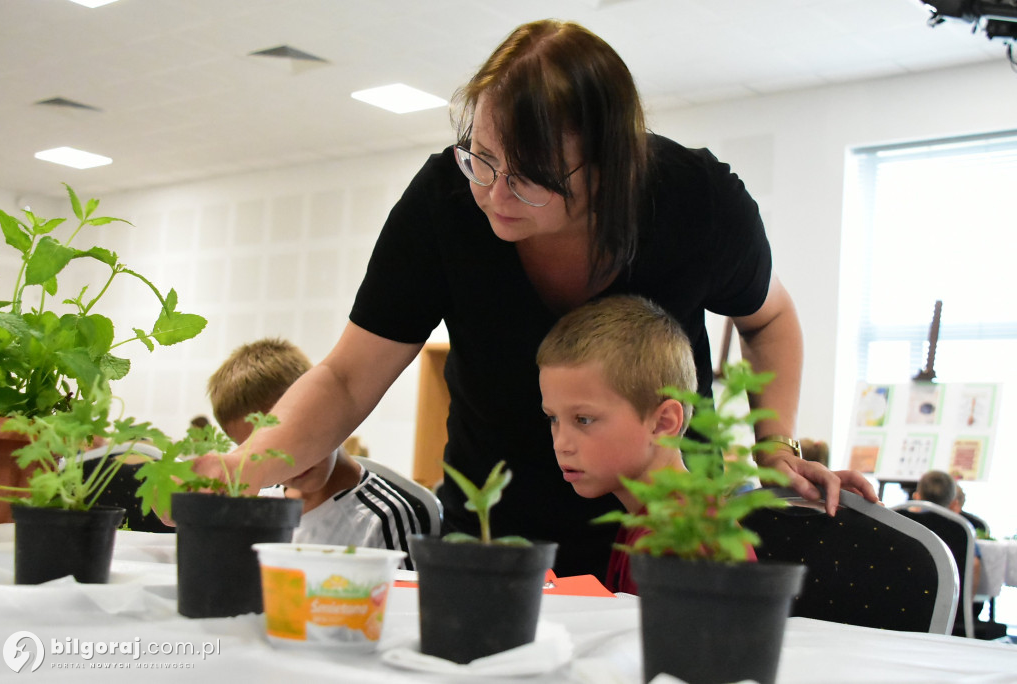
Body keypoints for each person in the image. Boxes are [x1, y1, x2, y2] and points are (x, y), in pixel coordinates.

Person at [192, 19, 877, 580]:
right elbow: (345, 377)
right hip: (495, 535)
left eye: (527, 179)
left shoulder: (693, 201)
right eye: (481, 158)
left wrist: (773, 444)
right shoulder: (445, 205)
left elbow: (771, 319)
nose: (492, 192)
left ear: (608, 166)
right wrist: (239, 470)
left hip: (665, 535)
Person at [536, 295, 756, 593]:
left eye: (583, 420)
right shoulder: (656, 515)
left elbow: (659, 637)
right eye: (552, 419)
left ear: (664, 423)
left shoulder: (676, 535)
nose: (561, 444)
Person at [207, 338, 419, 566]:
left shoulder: (385, 515)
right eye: (261, 453)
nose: (287, 462)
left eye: (288, 440)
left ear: (324, 412)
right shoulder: (259, 506)